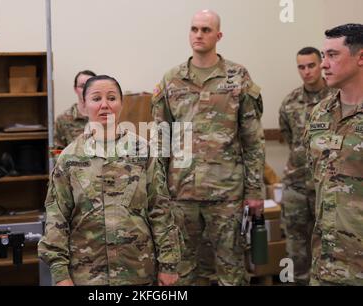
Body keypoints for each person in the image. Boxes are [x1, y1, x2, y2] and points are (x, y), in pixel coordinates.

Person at [152, 10, 265, 286]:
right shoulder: (172, 79)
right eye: (194, 29)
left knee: (231, 268)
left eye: (205, 29)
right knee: (181, 269)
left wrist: (254, 191)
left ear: (218, 35)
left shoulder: (237, 77)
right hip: (181, 192)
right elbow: (160, 140)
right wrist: (158, 190)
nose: (199, 35)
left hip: (226, 192)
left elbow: (252, 140)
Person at [39, 75, 181, 286]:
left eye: (112, 98)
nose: (105, 105)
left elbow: (160, 209)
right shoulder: (69, 158)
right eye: (96, 98)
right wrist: (60, 275)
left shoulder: (142, 151)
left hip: (138, 271)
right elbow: (56, 217)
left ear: (121, 104)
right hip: (86, 274)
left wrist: (169, 265)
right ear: (84, 105)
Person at [305, 23, 363, 286]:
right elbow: (317, 177)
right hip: (326, 262)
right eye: (323, 55)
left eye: (333, 55)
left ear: (360, 57)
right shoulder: (320, 113)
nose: (323, 64)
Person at [279, 47, 336, 285]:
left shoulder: (337, 97)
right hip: (296, 186)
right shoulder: (290, 102)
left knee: (329, 245)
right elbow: (288, 136)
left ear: (321, 64)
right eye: (301, 67)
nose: (306, 71)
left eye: (311, 65)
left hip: (328, 186)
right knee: (295, 246)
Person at [54, 70, 96, 149]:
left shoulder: (105, 117)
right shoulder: (63, 120)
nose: (86, 89)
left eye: (90, 85)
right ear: (75, 89)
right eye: (82, 86)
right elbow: (57, 153)